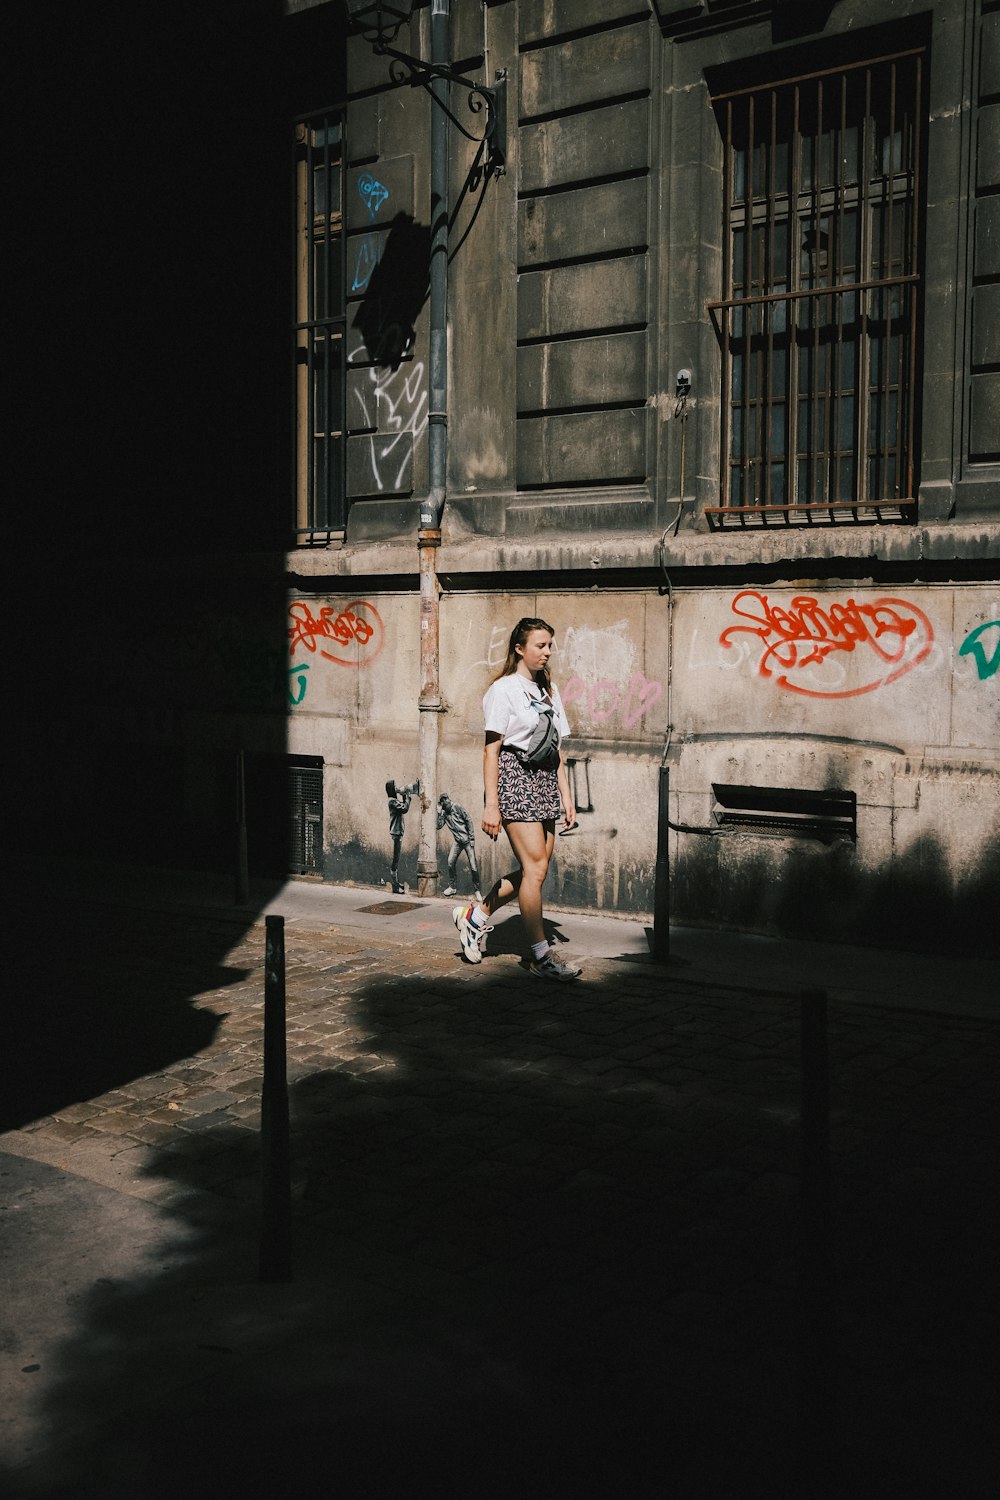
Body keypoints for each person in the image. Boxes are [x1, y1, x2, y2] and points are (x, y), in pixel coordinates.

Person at [453, 616, 581, 981]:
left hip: (544, 781)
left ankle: (474, 917)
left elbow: (558, 749)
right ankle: (540, 957)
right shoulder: (504, 690)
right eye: (540, 645)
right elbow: (491, 751)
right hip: (515, 778)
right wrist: (491, 804)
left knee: (532, 872)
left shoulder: (550, 691)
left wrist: (566, 797)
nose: (547, 652)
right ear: (519, 648)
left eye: (550, 645)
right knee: (537, 869)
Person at [437, 793, 481, 899]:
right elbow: (438, 826)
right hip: (457, 842)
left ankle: (477, 891)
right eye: (443, 805)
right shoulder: (443, 812)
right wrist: (439, 814)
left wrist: (472, 839)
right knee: (450, 862)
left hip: (467, 841)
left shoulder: (457, 806)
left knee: (473, 866)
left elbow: (468, 820)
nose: (445, 806)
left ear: (447, 800)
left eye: (446, 803)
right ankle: (452, 887)